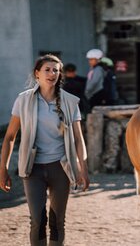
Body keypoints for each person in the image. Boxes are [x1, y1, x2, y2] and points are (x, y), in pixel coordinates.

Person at [0, 54, 89, 245]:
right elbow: (9, 137)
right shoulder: (23, 100)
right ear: (37, 74)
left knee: (58, 222)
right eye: (47, 69)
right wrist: (3, 170)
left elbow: (78, 139)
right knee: (37, 221)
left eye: (56, 70)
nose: (52, 73)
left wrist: (83, 168)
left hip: (61, 167)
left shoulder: (70, 102)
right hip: (33, 169)